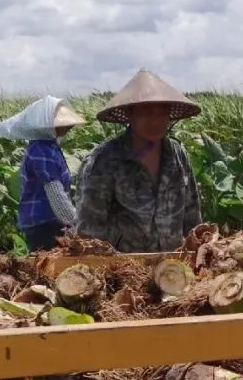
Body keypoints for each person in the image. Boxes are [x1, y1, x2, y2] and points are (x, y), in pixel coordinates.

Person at [75, 68, 202, 253]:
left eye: (162, 113)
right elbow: (89, 231)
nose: (156, 120)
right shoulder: (105, 160)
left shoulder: (177, 155)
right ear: (130, 114)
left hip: (173, 268)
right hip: (124, 270)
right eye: (147, 112)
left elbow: (192, 215)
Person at [0, 95, 87, 252]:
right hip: (44, 223)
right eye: (63, 125)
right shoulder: (41, 150)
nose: (68, 129)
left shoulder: (50, 147)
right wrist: (74, 222)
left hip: (51, 221)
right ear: (45, 126)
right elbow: (54, 191)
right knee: (49, 267)